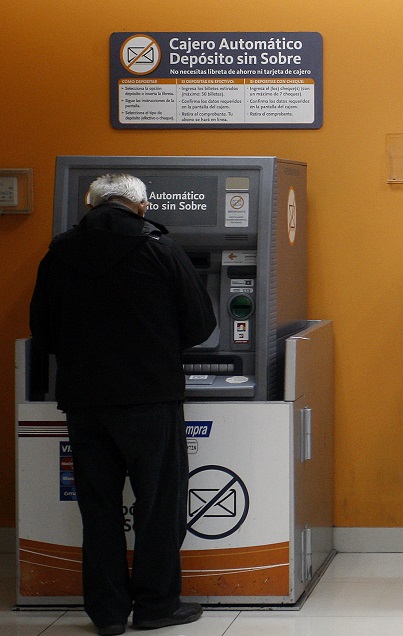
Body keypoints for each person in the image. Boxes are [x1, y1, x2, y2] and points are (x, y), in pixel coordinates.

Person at [30, 173, 216, 635]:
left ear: (90, 204)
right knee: (159, 505)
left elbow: (43, 332)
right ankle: (156, 606)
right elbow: (200, 324)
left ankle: (108, 613)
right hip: (150, 397)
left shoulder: (58, 253)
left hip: (84, 401)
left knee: (97, 508)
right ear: (142, 205)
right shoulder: (160, 248)